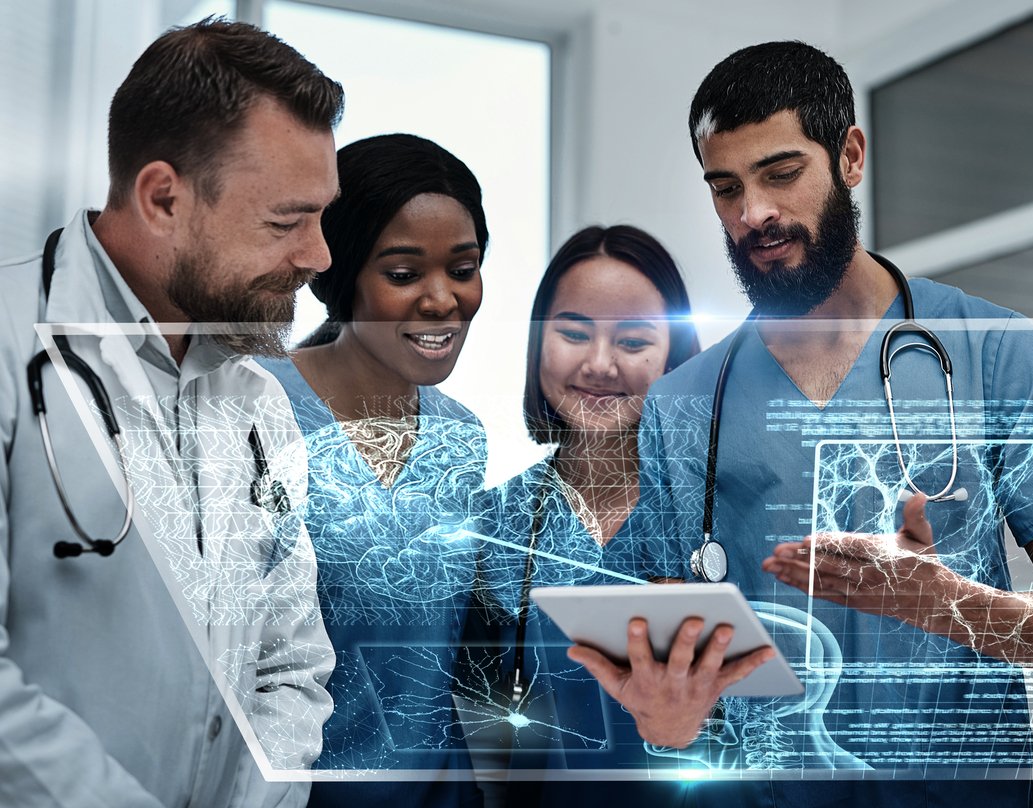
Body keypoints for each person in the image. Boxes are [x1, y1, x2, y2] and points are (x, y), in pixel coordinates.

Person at [567, 41, 1033, 805]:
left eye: (780, 173)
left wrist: (945, 605)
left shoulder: (995, 353)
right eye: (725, 188)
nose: (753, 214)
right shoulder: (682, 405)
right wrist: (661, 710)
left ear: (849, 155)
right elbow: (674, 658)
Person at [0, 18, 342, 808]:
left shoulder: (259, 404)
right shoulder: (14, 346)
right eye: (286, 221)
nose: (320, 256)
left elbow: (292, 670)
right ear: (163, 199)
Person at [258, 133, 491, 807]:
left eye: (463, 267)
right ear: (342, 275)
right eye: (402, 274)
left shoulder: (461, 436)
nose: (442, 299)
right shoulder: (257, 411)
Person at [464, 224, 701, 804]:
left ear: (675, 355)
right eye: (573, 333)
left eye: (633, 341)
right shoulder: (493, 525)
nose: (599, 364)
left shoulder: (718, 511)